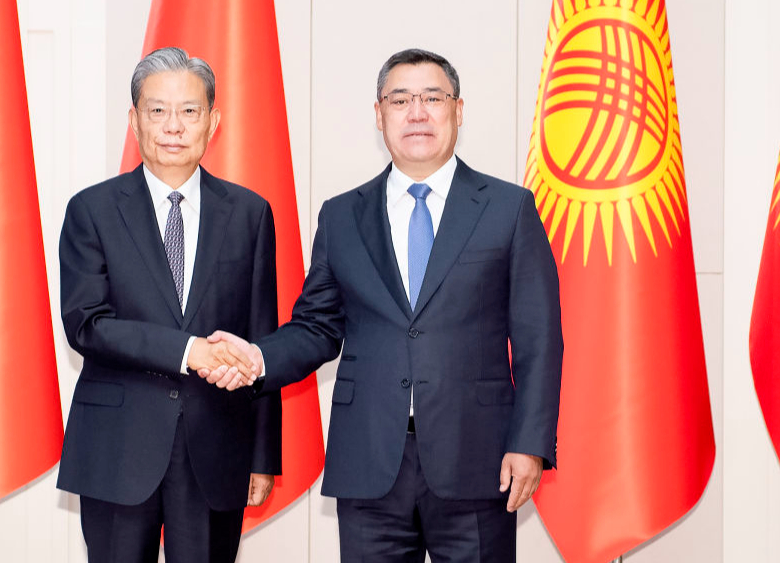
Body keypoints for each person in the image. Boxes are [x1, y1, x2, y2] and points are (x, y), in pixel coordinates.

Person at [204, 48, 562, 562]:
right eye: (400, 100)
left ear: (458, 110)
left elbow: (539, 339)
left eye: (432, 98)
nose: (417, 113)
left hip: (477, 459)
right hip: (369, 462)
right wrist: (258, 358)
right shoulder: (341, 216)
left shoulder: (509, 209)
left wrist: (529, 443)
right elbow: (316, 327)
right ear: (379, 114)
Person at [56, 46, 281, 563]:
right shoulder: (92, 210)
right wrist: (189, 351)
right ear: (134, 120)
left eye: (189, 111)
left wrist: (263, 454)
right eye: (157, 110)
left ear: (213, 122)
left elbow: (262, 338)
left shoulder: (249, 214)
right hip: (117, 448)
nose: (173, 126)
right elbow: (86, 324)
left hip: (217, 447)